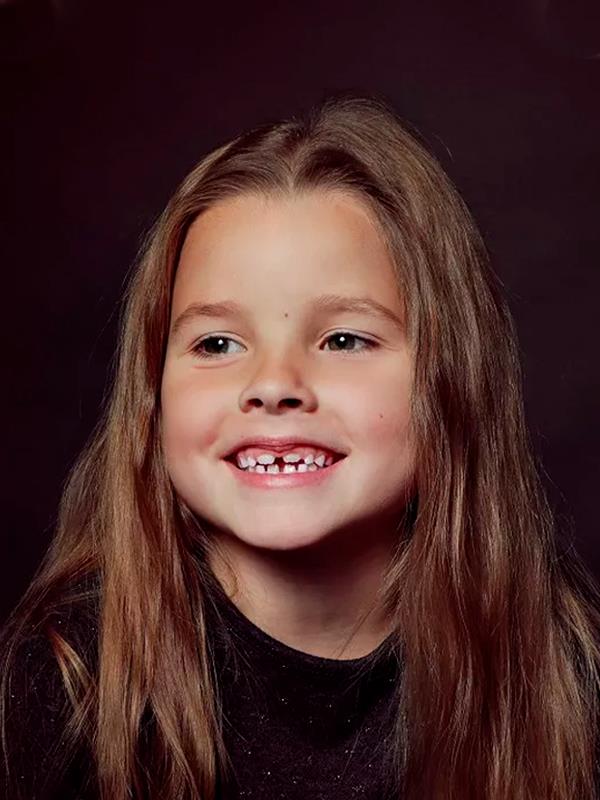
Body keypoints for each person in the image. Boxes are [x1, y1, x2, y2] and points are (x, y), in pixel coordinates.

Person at [2, 93, 599, 800]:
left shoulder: (566, 675)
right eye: (217, 343)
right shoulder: (69, 681)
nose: (273, 385)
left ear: (450, 380)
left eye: (343, 339)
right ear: (151, 395)